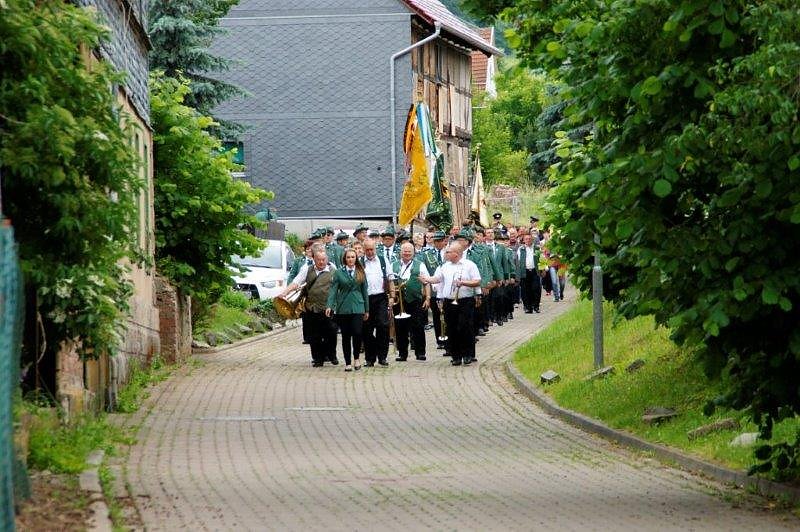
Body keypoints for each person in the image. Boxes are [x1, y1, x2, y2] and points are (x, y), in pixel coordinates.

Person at [420, 243, 481, 366]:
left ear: (456, 254)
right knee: (451, 328)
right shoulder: (445, 266)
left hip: (465, 300)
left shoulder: (469, 265)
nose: (446, 254)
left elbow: (477, 281)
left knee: (465, 326)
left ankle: (468, 354)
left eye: (448, 252)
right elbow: (437, 278)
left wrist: (463, 282)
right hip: (449, 301)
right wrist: (426, 279)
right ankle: (456, 355)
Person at [284, 247, 338, 367]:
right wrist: (285, 293)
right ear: (314, 259)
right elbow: (296, 282)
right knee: (314, 335)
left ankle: (331, 354)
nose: (321, 262)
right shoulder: (306, 270)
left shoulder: (333, 269)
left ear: (327, 259)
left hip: (328, 307)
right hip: (311, 307)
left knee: (331, 332)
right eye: (318, 260)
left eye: (323, 259)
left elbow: (339, 286)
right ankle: (318, 359)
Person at [326, 249, 369, 371]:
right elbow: (333, 291)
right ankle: (348, 362)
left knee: (357, 332)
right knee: (346, 335)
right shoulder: (339, 273)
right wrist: (330, 305)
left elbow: (365, 291)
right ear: (345, 259)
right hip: (343, 307)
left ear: (356, 258)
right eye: (348, 257)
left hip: (358, 306)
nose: (350, 259)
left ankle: (356, 358)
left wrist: (367, 309)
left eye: (353, 257)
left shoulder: (361, 272)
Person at [389, 242, 431, 361]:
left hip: (415, 300)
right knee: (400, 327)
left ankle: (420, 352)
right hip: (399, 301)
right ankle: (402, 353)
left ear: (413, 253)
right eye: (404, 251)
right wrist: (392, 297)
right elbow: (391, 282)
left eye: (409, 251)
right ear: (400, 252)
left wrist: (427, 298)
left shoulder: (420, 264)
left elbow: (426, 282)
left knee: (418, 326)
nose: (407, 253)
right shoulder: (393, 265)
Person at [360, 239, 390, 367]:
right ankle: (370, 358)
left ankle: (382, 357)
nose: (370, 252)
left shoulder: (383, 260)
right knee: (367, 329)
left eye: (372, 249)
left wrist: (392, 296)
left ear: (375, 248)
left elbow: (390, 277)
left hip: (381, 297)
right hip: (366, 299)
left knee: (383, 326)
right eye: (367, 250)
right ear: (363, 250)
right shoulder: (360, 263)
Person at [420, 230, 447, 350]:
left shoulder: (449, 253)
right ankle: (439, 339)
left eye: (440, 240)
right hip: (434, 290)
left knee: (447, 316)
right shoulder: (427, 254)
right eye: (436, 241)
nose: (438, 243)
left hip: (447, 290)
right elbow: (424, 272)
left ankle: (448, 338)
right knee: (436, 316)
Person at [517, 232, 542, 313]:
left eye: (529, 239)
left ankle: (536, 306)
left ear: (532, 240)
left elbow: (542, 259)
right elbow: (518, 262)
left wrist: (544, 269)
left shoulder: (537, 248)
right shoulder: (521, 249)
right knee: (525, 290)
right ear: (524, 240)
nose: (528, 240)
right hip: (525, 272)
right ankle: (528, 307)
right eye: (526, 239)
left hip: (535, 271)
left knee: (536, 288)